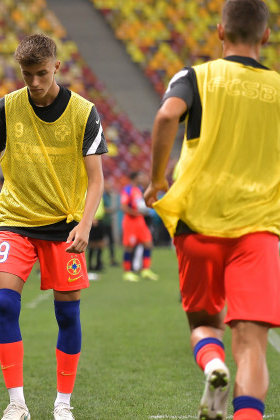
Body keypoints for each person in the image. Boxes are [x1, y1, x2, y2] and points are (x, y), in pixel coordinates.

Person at [144, 1, 280, 419]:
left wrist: (157, 180)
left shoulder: (195, 77)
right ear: (266, 36)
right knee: (252, 342)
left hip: (197, 224)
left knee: (205, 324)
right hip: (258, 227)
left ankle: (213, 362)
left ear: (221, 32)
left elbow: (167, 116)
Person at [0, 34, 106, 420]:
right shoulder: (5, 109)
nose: (34, 82)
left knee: (67, 316)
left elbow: (96, 178)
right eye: (27, 74)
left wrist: (85, 223)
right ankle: (17, 403)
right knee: (5, 302)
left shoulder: (83, 112)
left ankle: (63, 404)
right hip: (16, 222)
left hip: (65, 228)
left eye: (41, 73)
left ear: (57, 67)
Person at [120, 171, 158, 282]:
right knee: (129, 247)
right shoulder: (127, 190)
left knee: (148, 244)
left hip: (140, 221)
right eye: (140, 176)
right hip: (130, 222)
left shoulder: (138, 190)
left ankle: (145, 270)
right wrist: (136, 213)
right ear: (135, 178)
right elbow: (123, 207)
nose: (142, 178)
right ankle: (127, 272)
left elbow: (140, 205)